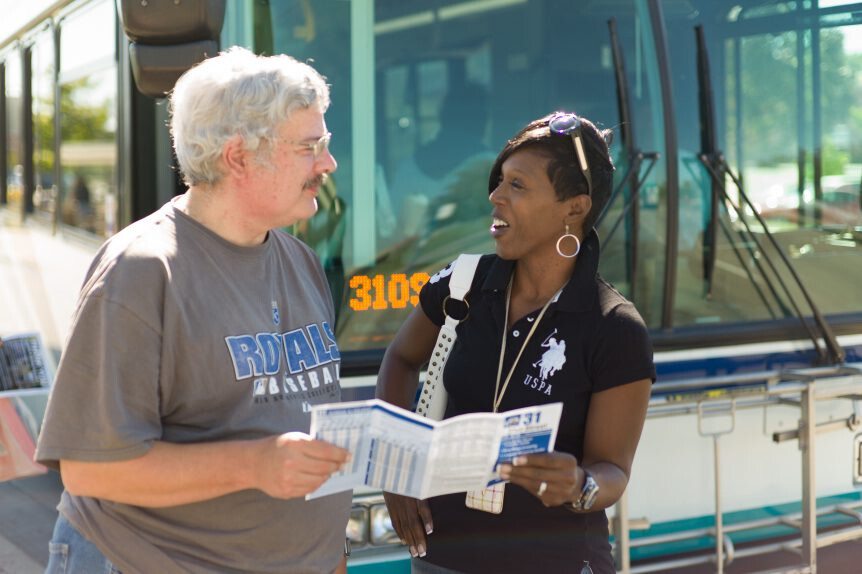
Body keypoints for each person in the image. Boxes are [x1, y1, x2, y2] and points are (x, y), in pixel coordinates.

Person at [35, 47, 351, 574]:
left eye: (326, 144)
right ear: (239, 157)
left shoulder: (299, 259)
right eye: (309, 146)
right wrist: (256, 465)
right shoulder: (140, 270)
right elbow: (89, 471)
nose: (328, 163)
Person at [376, 112, 655, 573]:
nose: (495, 197)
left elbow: (612, 471)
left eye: (517, 186)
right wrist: (395, 471)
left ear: (575, 207)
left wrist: (578, 485)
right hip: (442, 557)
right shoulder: (462, 284)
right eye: (499, 181)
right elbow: (401, 359)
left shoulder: (615, 327)